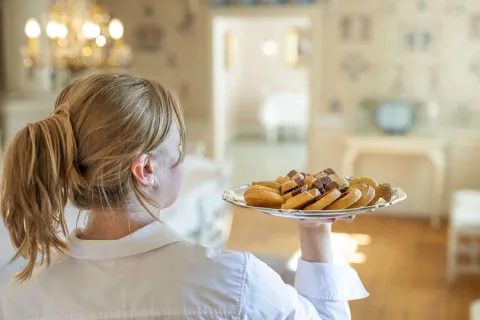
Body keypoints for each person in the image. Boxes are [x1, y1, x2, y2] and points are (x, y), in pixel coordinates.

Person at [0, 73, 368, 319]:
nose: (184, 161)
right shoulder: (232, 282)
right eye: (179, 148)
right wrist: (315, 230)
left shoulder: (20, 299)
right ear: (145, 171)